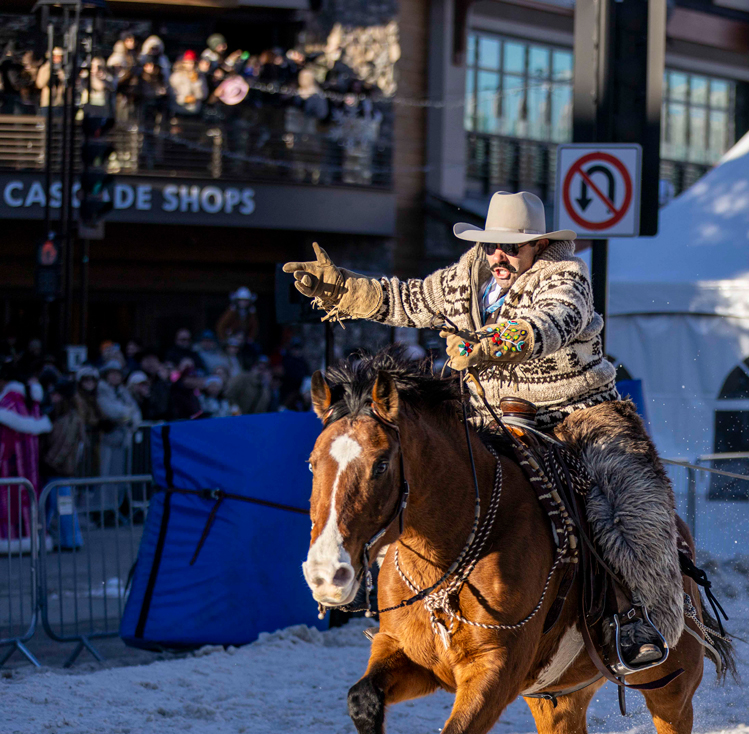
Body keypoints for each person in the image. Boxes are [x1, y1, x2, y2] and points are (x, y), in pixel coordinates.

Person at [282, 190, 679, 670]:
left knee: (628, 500)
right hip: (489, 417)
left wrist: (490, 344)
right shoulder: (464, 277)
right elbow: (408, 300)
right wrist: (346, 290)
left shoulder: (567, 278)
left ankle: (636, 615)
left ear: (539, 246)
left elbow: (548, 324)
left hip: (578, 415)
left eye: (511, 247)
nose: (498, 256)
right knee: (417, 478)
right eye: (491, 245)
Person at [0, 362, 51, 543]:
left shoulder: (8, 403)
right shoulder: (31, 402)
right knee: (29, 498)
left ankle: (11, 538)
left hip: (10, 466)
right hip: (30, 467)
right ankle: (31, 535)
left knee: (10, 502)